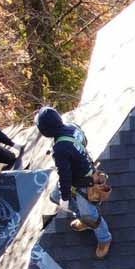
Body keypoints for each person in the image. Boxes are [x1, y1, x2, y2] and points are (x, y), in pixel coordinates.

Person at [35, 106, 111, 259]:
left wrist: (65, 198)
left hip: (83, 183)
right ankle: (84, 219)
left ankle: (104, 238)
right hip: (84, 174)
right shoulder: (72, 127)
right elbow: (84, 141)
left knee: (91, 215)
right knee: (54, 196)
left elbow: (65, 176)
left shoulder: (60, 149)